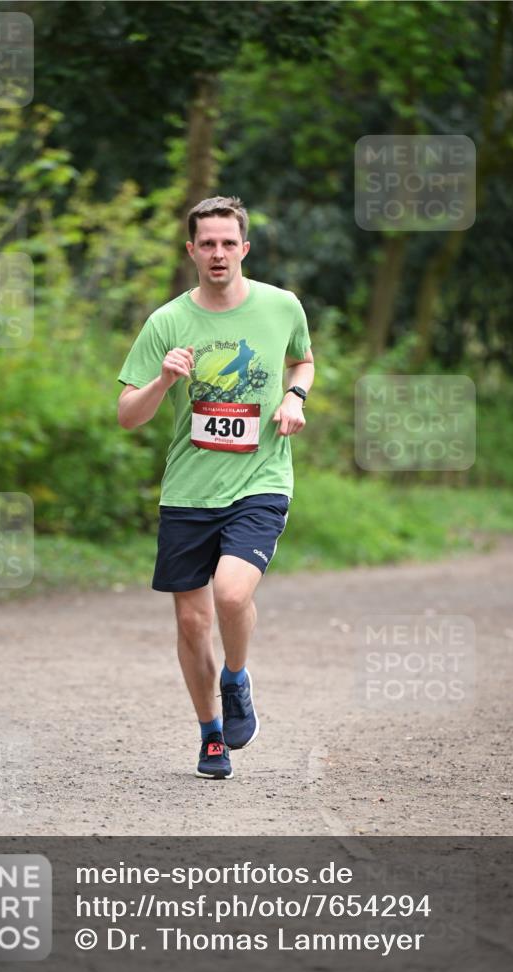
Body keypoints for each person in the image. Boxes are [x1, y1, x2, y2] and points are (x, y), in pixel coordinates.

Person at [117, 195, 314, 780]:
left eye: (229, 243)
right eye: (208, 243)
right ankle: (210, 735)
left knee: (230, 594)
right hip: (188, 489)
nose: (219, 253)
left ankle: (236, 678)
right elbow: (128, 414)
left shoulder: (281, 306)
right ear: (192, 251)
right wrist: (162, 381)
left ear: (244, 248)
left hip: (261, 479)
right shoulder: (168, 322)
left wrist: (294, 397)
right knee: (191, 623)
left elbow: (302, 360)